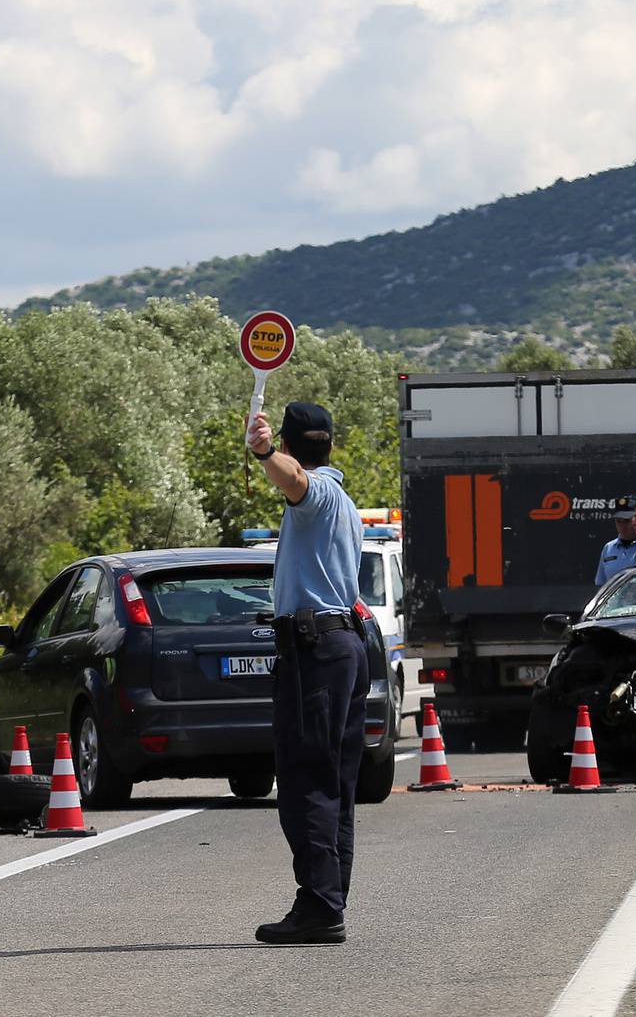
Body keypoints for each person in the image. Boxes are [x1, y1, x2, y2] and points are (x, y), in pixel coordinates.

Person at [246, 400, 367, 946]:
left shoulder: (316, 495)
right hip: (343, 645)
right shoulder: (345, 501)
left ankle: (319, 906)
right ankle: (330, 898)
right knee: (335, 780)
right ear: (332, 444)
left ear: (295, 447)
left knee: (306, 779)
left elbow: (295, 482)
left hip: (315, 650)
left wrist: (265, 453)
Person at [594, 501, 636, 585]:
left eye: (627, 521)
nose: (622, 526)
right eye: (618, 521)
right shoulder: (608, 547)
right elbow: (600, 583)